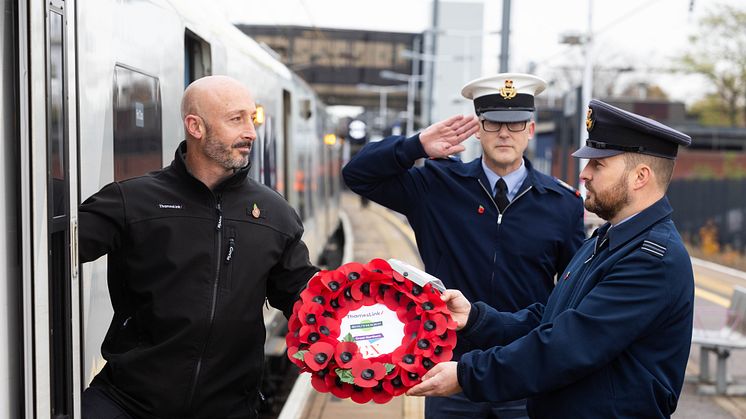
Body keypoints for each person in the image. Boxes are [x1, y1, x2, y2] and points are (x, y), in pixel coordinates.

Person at [407, 99, 695, 419]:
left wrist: (466, 374)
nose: (583, 174)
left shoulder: (650, 260)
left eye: (598, 165)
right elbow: (552, 319)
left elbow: (568, 345)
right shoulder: (606, 241)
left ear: (640, 176)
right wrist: (475, 318)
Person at [342, 73, 585, 418]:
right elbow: (358, 174)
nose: (504, 133)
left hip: (524, 372)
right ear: (478, 129)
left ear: (530, 130)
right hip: (449, 370)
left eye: (516, 124)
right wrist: (416, 146)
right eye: (493, 123)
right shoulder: (437, 185)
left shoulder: (562, 204)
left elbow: (576, 288)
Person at [78, 75, 318, 419]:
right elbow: (48, 250)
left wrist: (369, 327)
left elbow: (306, 296)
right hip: (128, 401)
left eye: (252, 118)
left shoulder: (274, 214)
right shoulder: (133, 201)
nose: (250, 132)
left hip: (229, 407)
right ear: (196, 126)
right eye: (236, 119)